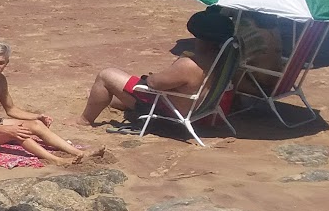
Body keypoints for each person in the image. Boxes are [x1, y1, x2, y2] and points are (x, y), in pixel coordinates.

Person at [79, 7, 233, 126]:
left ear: (200, 38)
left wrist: (157, 74)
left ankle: (84, 120)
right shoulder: (227, 58)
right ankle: (104, 99)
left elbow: (154, 84)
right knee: (127, 91)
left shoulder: (189, 65)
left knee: (107, 75)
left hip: (175, 114)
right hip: (208, 113)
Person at [0, 41, 89, 163]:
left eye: (1, 63)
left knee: (37, 124)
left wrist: (37, 116)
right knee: (19, 133)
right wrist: (8, 130)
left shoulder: (1, 80)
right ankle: (57, 160)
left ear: (7, 63)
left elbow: (11, 109)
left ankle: (78, 152)